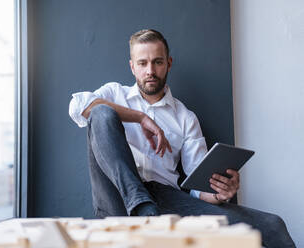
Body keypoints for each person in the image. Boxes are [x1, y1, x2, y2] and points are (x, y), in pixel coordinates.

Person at [68, 29, 296, 248]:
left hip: (166, 200)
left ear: (168, 63)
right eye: (142, 63)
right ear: (132, 67)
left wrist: (219, 191)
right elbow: (77, 106)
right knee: (101, 113)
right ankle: (140, 205)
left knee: (272, 226)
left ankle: (147, 211)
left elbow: (198, 185)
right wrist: (139, 118)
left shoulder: (185, 118)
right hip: (116, 195)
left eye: (157, 62)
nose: (150, 70)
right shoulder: (114, 94)